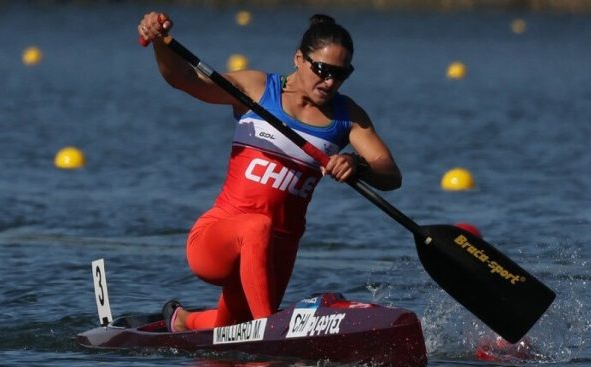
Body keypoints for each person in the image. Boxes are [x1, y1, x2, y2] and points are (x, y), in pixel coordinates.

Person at [138, 11, 402, 332]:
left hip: (278, 253)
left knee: (234, 327)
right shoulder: (258, 88)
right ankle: (269, 331)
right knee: (257, 228)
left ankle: (184, 321)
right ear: (298, 59)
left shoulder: (347, 116)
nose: (330, 81)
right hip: (217, 238)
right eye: (322, 70)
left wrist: (357, 164)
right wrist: (161, 44)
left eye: (341, 74)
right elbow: (186, 81)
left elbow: (389, 173)